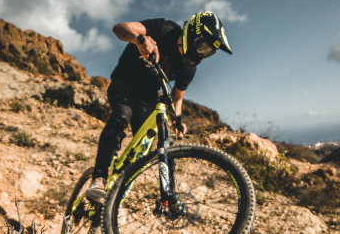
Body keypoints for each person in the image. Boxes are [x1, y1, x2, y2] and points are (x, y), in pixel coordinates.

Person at [85, 11, 232, 204]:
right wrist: (139, 39)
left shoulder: (188, 68)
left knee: (145, 149)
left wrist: (177, 120)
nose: (202, 54)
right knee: (122, 115)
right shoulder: (165, 29)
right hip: (124, 83)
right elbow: (119, 28)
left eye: (208, 52)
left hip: (147, 98)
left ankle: (116, 200)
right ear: (192, 34)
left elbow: (177, 98)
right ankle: (99, 178)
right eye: (202, 46)